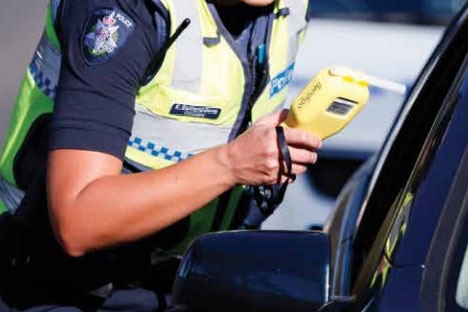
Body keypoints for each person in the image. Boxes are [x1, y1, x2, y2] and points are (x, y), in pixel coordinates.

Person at [0, 0, 321, 310]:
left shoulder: (289, 6)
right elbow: (77, 221)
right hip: (54, 284)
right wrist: (231, 165)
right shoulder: (126, 9)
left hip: (189, 281)